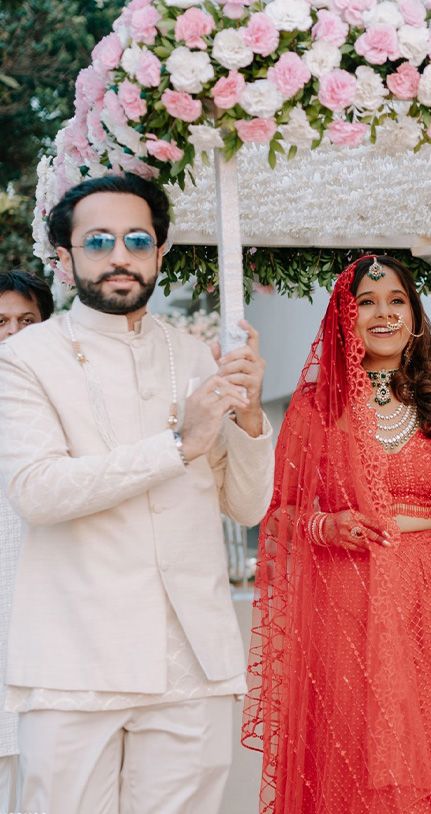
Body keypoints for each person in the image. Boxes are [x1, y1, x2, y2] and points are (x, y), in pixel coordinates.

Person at [0, 174, 274, 812]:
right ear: (64, 259)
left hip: (193, 661)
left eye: (137, 240)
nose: (119, 255)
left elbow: (248, 506)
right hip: (77, 660)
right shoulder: (25, 359)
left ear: (160, 252)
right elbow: (36, 491)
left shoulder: (201, 355)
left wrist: (254, 417)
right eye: (98, 241)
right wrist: (180, 444)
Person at [243, 255, 431, 813]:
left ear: (414, 314)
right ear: (344, 315)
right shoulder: (316, 407)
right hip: (345, 601)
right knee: (353, 737)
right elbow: (278, 513)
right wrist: (326, 525)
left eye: (396, 301)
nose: (382, 314)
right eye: (366, 303)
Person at [0, 269, 53, 807]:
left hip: (39, 609)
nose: (12, 334)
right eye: (0, 322)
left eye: (26, 320)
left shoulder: (64, 404)